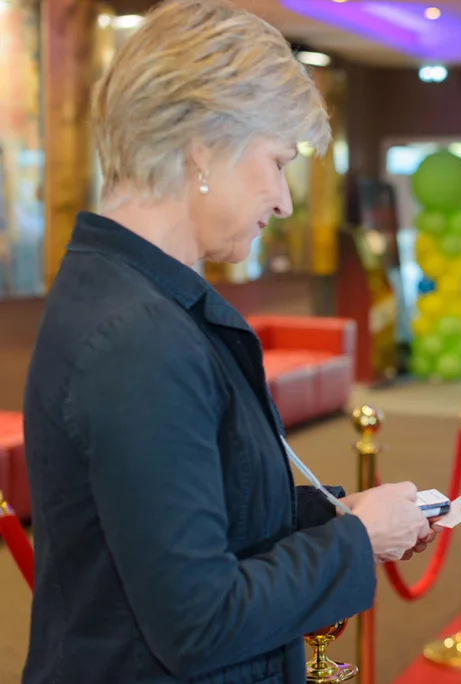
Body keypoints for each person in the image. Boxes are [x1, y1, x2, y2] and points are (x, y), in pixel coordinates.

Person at [21, 2, 435, 682]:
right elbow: (198, 619)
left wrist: (327, 517)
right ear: (203, 148)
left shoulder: (129, 294)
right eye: (276, 162)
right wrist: (356, 542)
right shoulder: (139, 337)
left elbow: (186, 507)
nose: (283, 201)